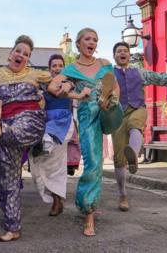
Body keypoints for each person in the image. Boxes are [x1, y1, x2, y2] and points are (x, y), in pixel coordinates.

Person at [0, 35, 53, 242]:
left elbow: (57, 82)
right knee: (4, 181)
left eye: (26, 54)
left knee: (20, 127)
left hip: (28, 120)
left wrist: (65, 86)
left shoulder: (37, 74)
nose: (22, 55)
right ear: (10, 54)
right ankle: (13, 227)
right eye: (18, 51)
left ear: (28, 59)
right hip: (2, 125)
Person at [48, 28, 123, 237]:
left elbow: (116, 87)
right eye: (88, 39)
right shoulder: (72, 68)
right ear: (79, 44)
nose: (92, 42)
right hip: (87, 114)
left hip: (107, 107)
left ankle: (89, 204)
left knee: (97, 161)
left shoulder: (105, 64)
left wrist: (111, 98)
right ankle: (88, 209)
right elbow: (53, 88)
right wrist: (77, 95)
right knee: (93, 162)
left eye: (95, 40)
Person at [111, 42, 167, 211]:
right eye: (119, 51)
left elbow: (157, 77)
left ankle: (134, 156)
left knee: (135, 125)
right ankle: (122, 195)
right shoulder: (109, 74)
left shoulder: (139, 72)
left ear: (129, 55)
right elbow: (97, 88)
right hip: (117, 114)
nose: (122, 53)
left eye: (125, 51)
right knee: (119, 160)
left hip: (138, 108)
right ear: (114, 55)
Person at [30, 54, 81, 217]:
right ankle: (54, 197)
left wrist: (68, 85)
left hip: (62, 123)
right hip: (44, 122)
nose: (57, 68)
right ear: (49, 68)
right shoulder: (43, 85)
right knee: (38, 161)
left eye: (60, 65)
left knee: (58, 163)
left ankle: (57, 200)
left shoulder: (69, 83)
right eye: (54, 65)